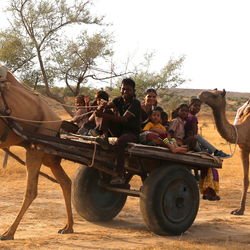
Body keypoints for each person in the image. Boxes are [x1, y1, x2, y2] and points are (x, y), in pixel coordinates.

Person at [94, 78, 141, 185]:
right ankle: (104, 137)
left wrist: (102, 114)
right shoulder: (118, 100)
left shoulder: (135, 103)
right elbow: (107, 107)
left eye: (128, 90)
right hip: (119, 130)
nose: (125, 92)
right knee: (107, 111)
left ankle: (119, 174)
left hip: (131, 133)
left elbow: (124, 119)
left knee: (121, 141)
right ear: (120, 89)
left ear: (133, 91)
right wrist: (102, 106)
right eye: (123, 89)